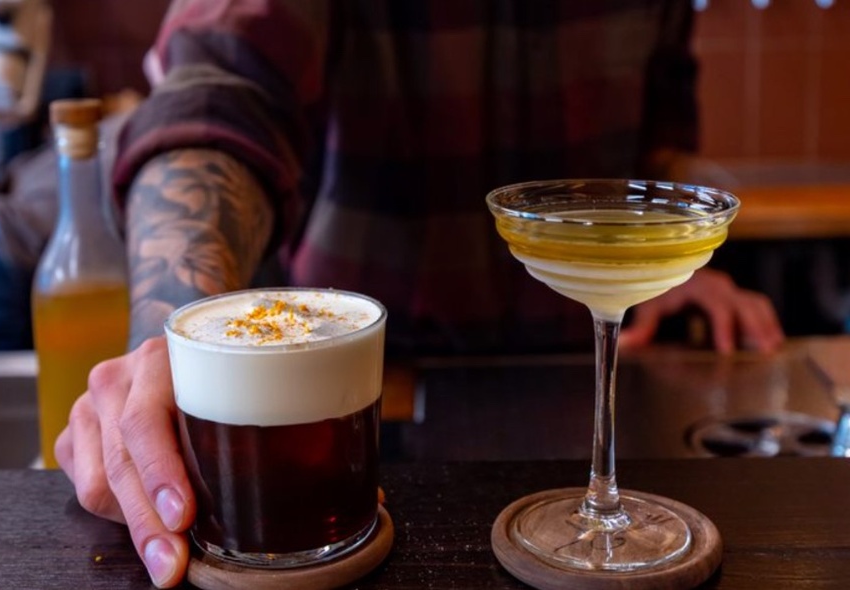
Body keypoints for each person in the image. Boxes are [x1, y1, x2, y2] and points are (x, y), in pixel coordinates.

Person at [54, 1, 784, 587]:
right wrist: (174, 324)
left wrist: (681, 264)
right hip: (360, 404)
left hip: (592, 365)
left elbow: (658, 142)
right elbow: (215, 99)